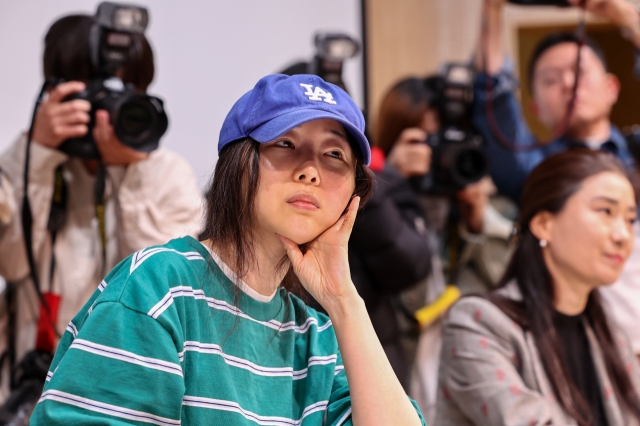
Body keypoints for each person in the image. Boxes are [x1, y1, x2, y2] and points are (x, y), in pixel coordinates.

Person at [29, 74, 425, 425]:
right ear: (237, 163)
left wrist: (343, 300)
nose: (310, 170)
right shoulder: (160, 288)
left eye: (334, 154)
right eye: (285, 143)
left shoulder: (319, 339)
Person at [0, 14, 203, 402]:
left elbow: (173, 290)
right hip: (32, 387)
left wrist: (132, 175)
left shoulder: (166, 173)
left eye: (123, 92)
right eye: (94, 93)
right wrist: (38, 157)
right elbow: (11, 262)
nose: (107, 108)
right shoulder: (28, 159)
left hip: (130, 388)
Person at [474, 0, 640, 362]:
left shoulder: (635, 155)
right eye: (551, 79)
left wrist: (628, 17)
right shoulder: (536, 171)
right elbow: (494, 95)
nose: (567, 84)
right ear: (536, 106)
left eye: (580, 72)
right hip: (572, 350)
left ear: (613, 87)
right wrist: (492, 10)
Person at [436, 149, 640, 425]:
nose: (623, 235)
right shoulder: (479, 323)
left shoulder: (609, 334)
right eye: (606, 211)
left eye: (629, 219)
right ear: (544, 224)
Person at [350, 76, 513, 422]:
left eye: (447, 142)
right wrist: (389, 176)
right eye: (427, 141)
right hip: (406, 361)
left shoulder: (467, 191)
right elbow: (406, 269)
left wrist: (476, 222)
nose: (439, 155)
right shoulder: (369, 199)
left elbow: (504, 281)